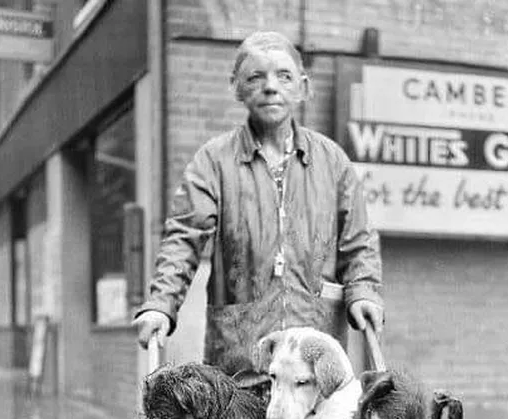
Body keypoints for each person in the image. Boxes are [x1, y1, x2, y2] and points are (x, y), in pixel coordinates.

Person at [133, 30, 383, 376]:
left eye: (284, 76)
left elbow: (359, 243)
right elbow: (182, 240)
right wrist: (161, 305)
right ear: (236, 86)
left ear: (303, 86)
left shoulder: (333, 161)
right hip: (240, 360)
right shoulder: (214, 161)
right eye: (256, 76)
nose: (270, 86)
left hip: (314, 365)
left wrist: (364, 292)